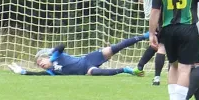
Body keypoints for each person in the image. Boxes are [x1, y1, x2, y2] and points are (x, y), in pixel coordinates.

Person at [8, 34, 148, 76]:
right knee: (100, 73)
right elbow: (36, 75)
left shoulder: (55, 55)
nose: (41, 65)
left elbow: (62, 46)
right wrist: (22, 72)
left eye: (41, 61)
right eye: (40, 65)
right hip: (86, 70)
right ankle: (126, 70)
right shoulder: (52, 72)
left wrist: (51, 55)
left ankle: (145, 36)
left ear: (45, 57)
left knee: (115, 48)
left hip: (88, 59)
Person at [134, 0, 165, 85]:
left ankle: (140, 66)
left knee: (156, 41)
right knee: (162, 45)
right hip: (161, 13)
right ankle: (157, 76)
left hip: (149, 13)